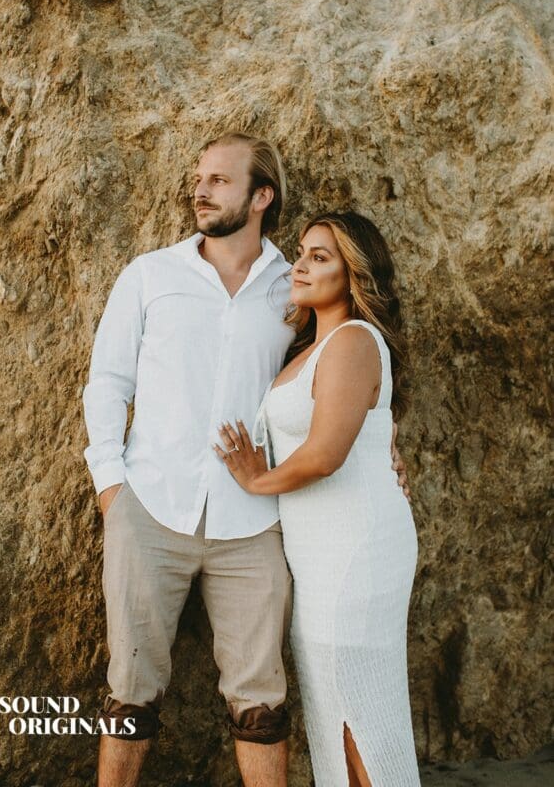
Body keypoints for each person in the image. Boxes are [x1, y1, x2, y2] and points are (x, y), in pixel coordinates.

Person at [82, 133, 408, 787]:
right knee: (129, 688)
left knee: (261, 700)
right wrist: (111, 487)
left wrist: (381, 439)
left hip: (254, 523)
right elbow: (106, 382)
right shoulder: (150, 275)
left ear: (262, 196)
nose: (199, 190)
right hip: (150, 510)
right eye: (199, 178)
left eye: (219, 181)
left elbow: (335, 368)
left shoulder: (292, 285)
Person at [214, 211, 420, 787]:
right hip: (320, 555)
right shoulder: (310, 349)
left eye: (320, 256)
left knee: (359, 712)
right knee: (334, 711)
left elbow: (326, 452)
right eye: (301, 253)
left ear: (354, 274)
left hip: (356, 551)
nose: (300, 265)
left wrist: (256, 480)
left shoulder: (353, 340)